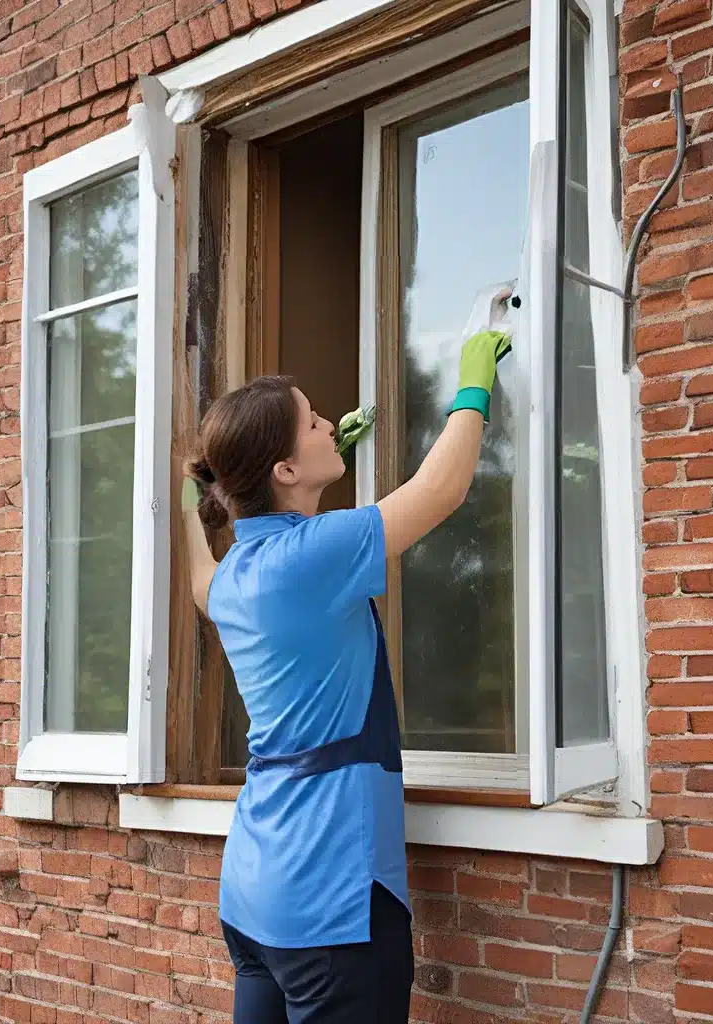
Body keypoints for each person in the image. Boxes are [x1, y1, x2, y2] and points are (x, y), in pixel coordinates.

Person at [180, 313, 513, 1024]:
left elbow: (200, 584)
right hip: (329, 896)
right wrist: (474, 383)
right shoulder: (309, 557)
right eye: (312, 422)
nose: (331, 422)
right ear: (285, 470)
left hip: (254, 893)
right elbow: (443, 490)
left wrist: (191, 510)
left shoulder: (240, 573)